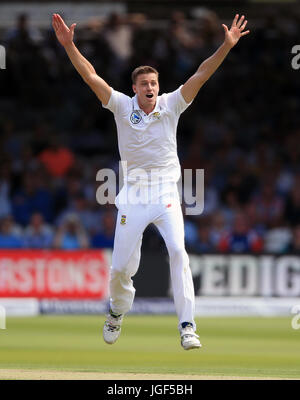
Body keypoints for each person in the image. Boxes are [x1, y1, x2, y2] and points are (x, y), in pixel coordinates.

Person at [52, 12, 249, 350]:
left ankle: (187, 325)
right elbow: (90, 75)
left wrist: (226, 47)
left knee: (178, 251)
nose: (150, 89)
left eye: (154, 84)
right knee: (120, 268)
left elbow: (201, 74)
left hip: (165, 195)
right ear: (135, 88)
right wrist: (70, 47)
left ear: (159, 87)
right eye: (144, 84)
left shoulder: (172, 104)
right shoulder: (120, 106)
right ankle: (116, 312)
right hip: (133, 197)